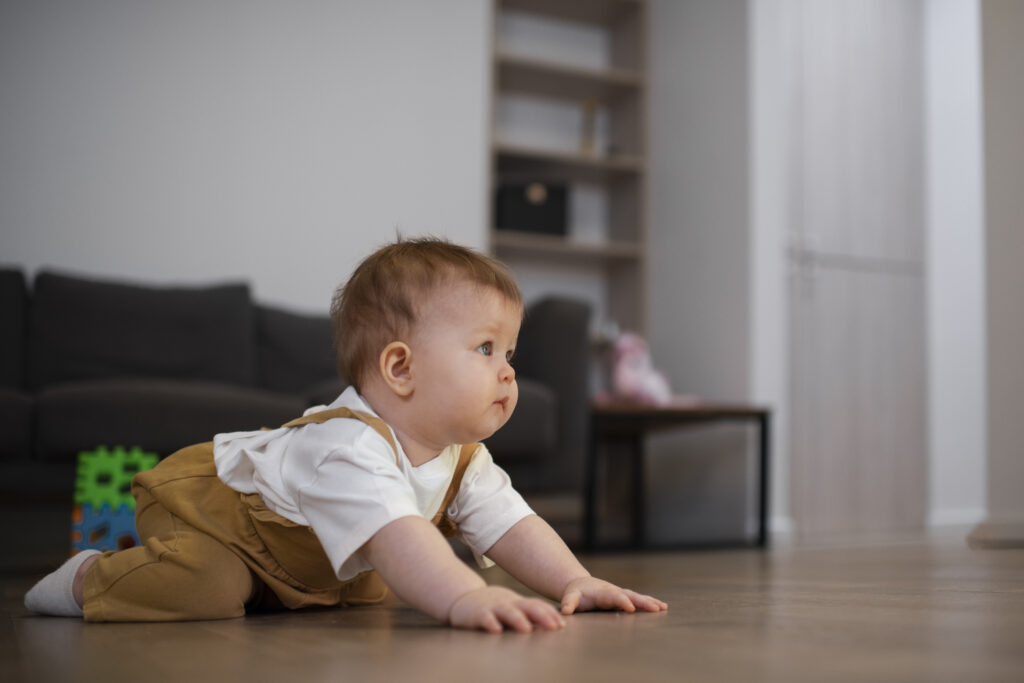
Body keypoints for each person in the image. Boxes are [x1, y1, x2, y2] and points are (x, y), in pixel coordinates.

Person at [25, 237, 667, 633]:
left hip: (302, 559)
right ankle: (89, 577)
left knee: (381, 580)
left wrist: (573, 580)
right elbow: (402, 536)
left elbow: (511, 524)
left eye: (511, 351)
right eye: (485, 347)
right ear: (400, 367)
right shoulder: (349, 446)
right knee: (212, 587)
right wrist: (468, 597)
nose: (508, 370)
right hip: (213, 513)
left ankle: (279, 595)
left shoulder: (465, 458)